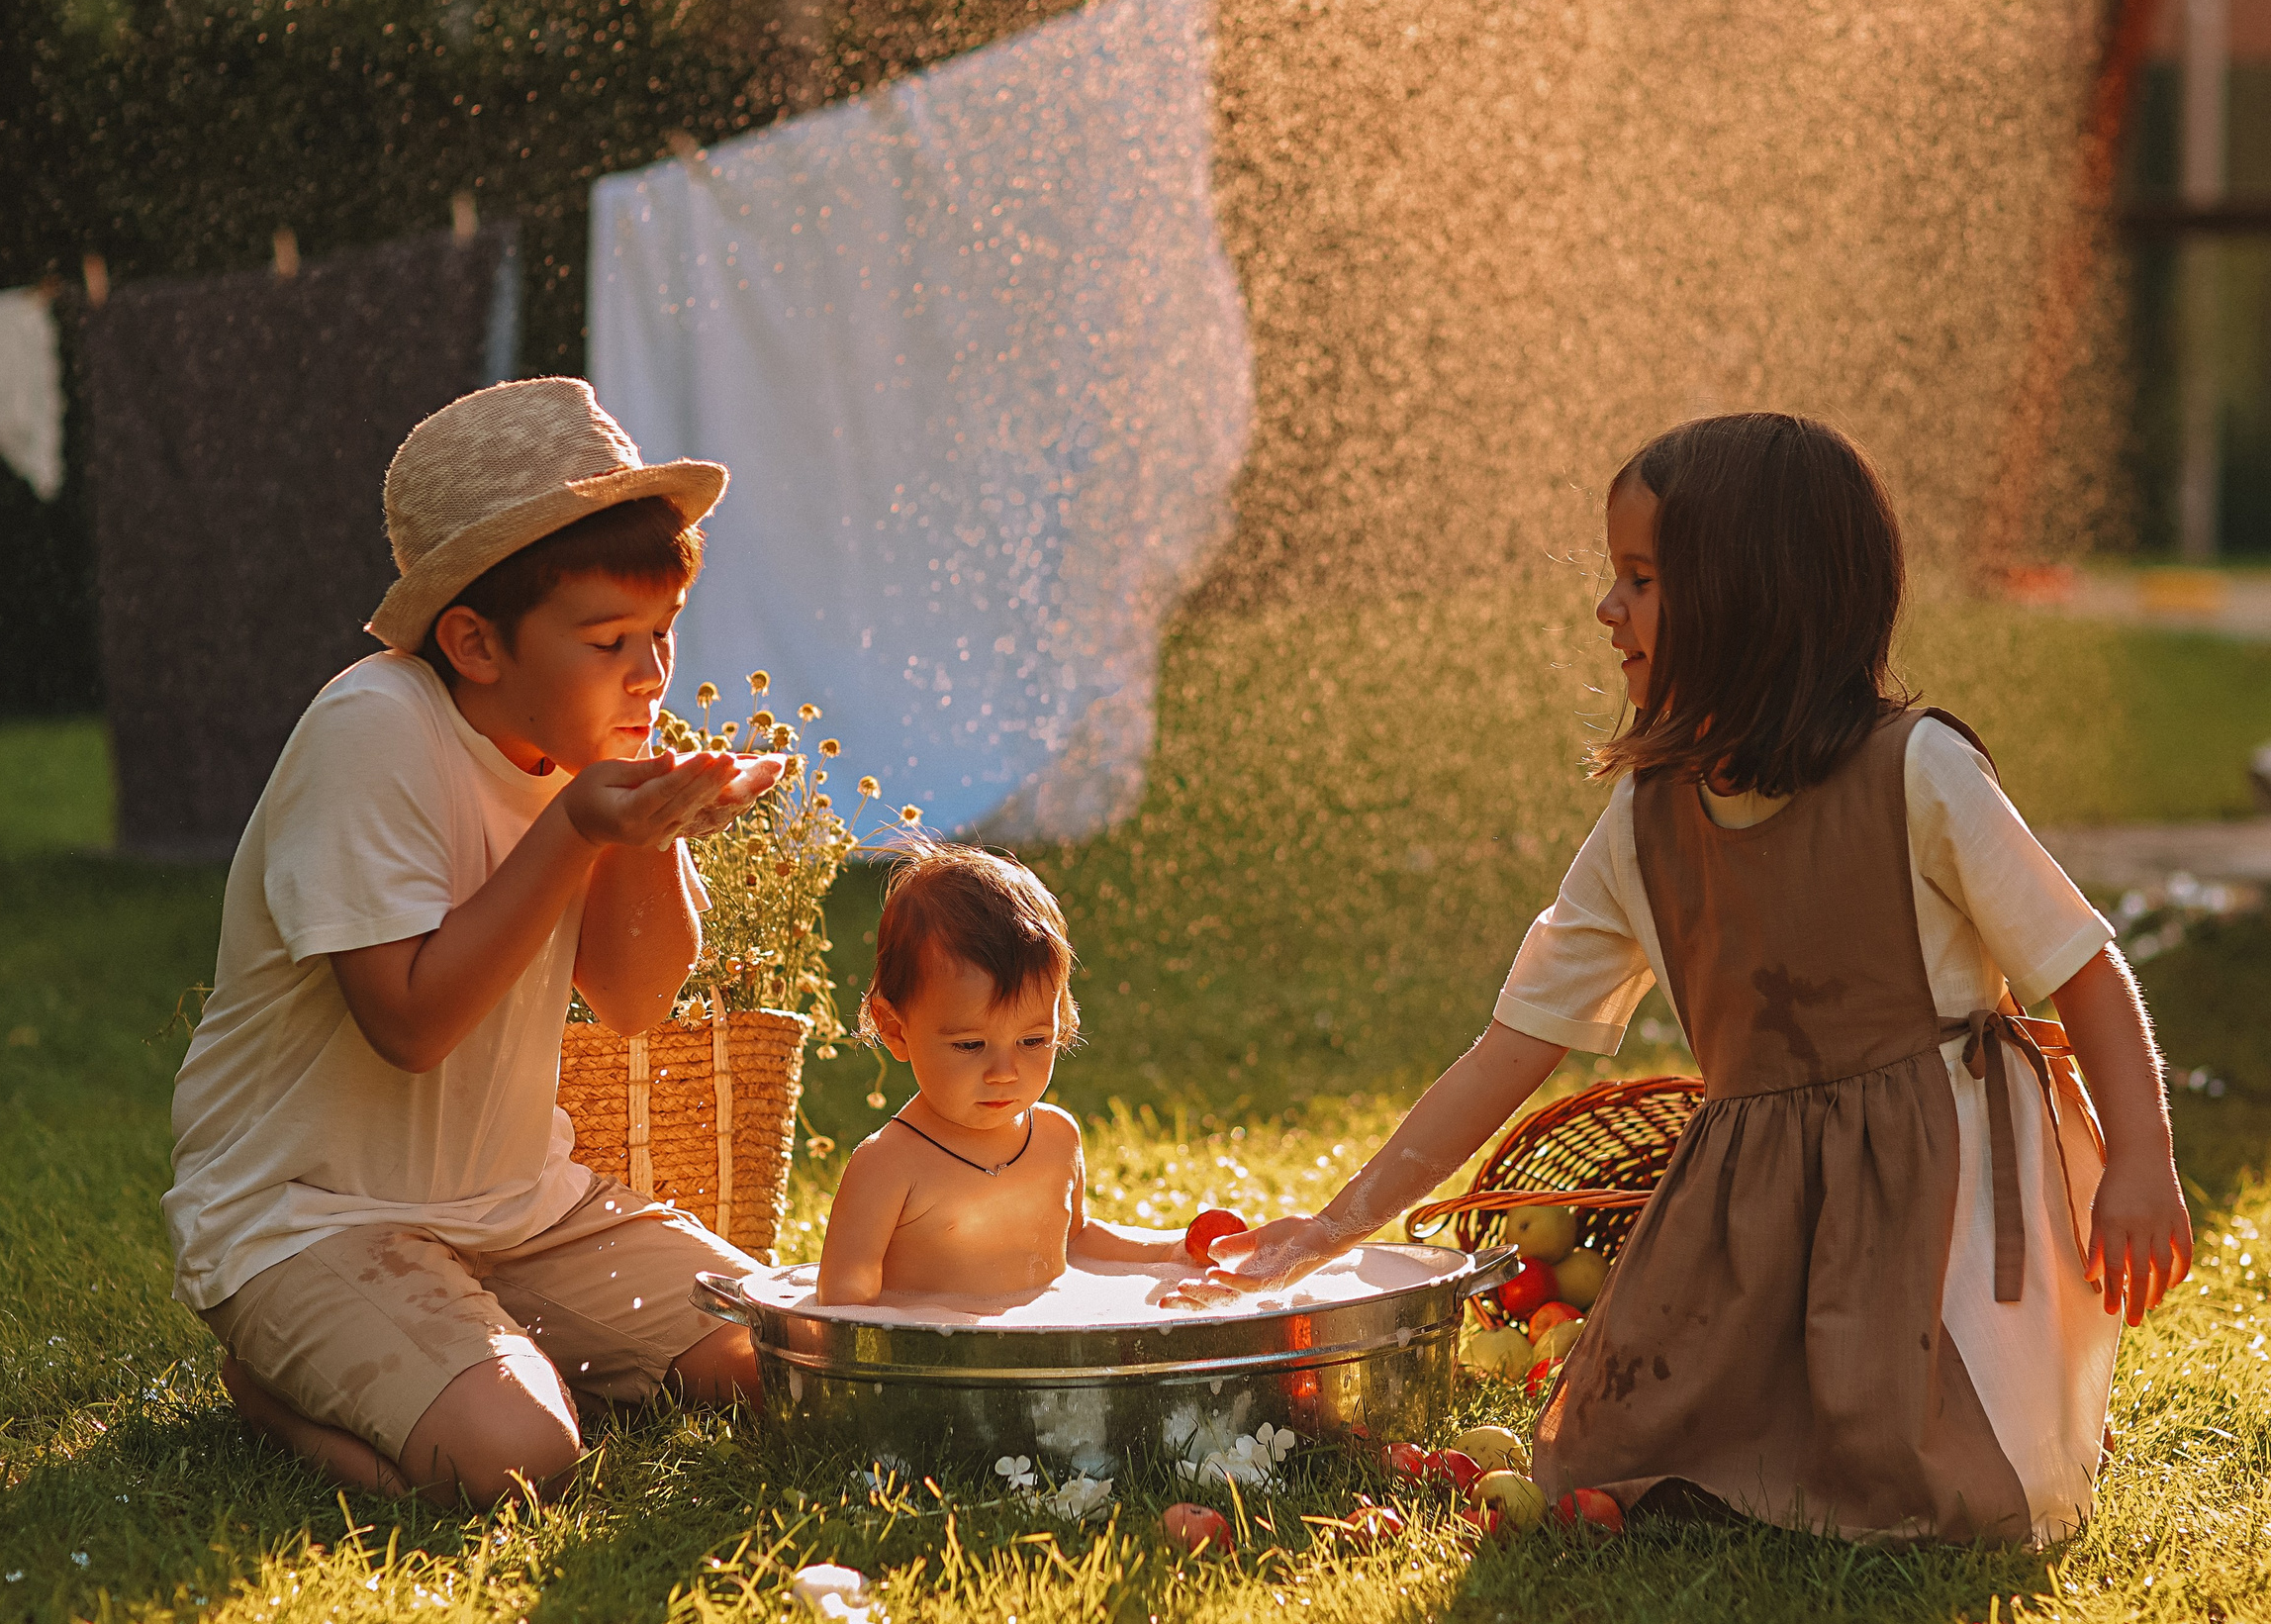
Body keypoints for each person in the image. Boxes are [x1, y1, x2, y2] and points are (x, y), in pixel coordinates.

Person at [1202, 413, 2193, 1545]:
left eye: (1640, 579)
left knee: (1929, 1487)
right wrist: (1333, 1223)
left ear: (1747, 597)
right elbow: (1510, 1048)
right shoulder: (1646, 819)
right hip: (1750, 1206)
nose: (1605, 607)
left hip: (1934, 1194)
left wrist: (2139, 1159)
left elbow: (2082, 966)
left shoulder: (1919, 772)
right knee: (1610, 1455)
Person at [163, 377, 789, 1506]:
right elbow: (409, 1025)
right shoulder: (373, 730)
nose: (650, 675)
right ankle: (274, 1389)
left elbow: (635, 998)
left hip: (520, 1205)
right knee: (516, 1457)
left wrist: (645, 830)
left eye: (661, 634)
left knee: (792, 1363)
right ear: (475, 642)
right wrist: (575, 828)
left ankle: (473, 1348)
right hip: (309, 1217)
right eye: (609, 640)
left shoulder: (582, 738)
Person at [813, 844, 1191, 1304]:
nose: (1003, 1073)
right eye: (970, 1045)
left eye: (1032, 1041)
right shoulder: (887, 1166)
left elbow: (1077, 1242)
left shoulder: (1056, 1136)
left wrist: (1173, 1250)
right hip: (933, 1351)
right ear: (895, 1029)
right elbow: (843, 1309)